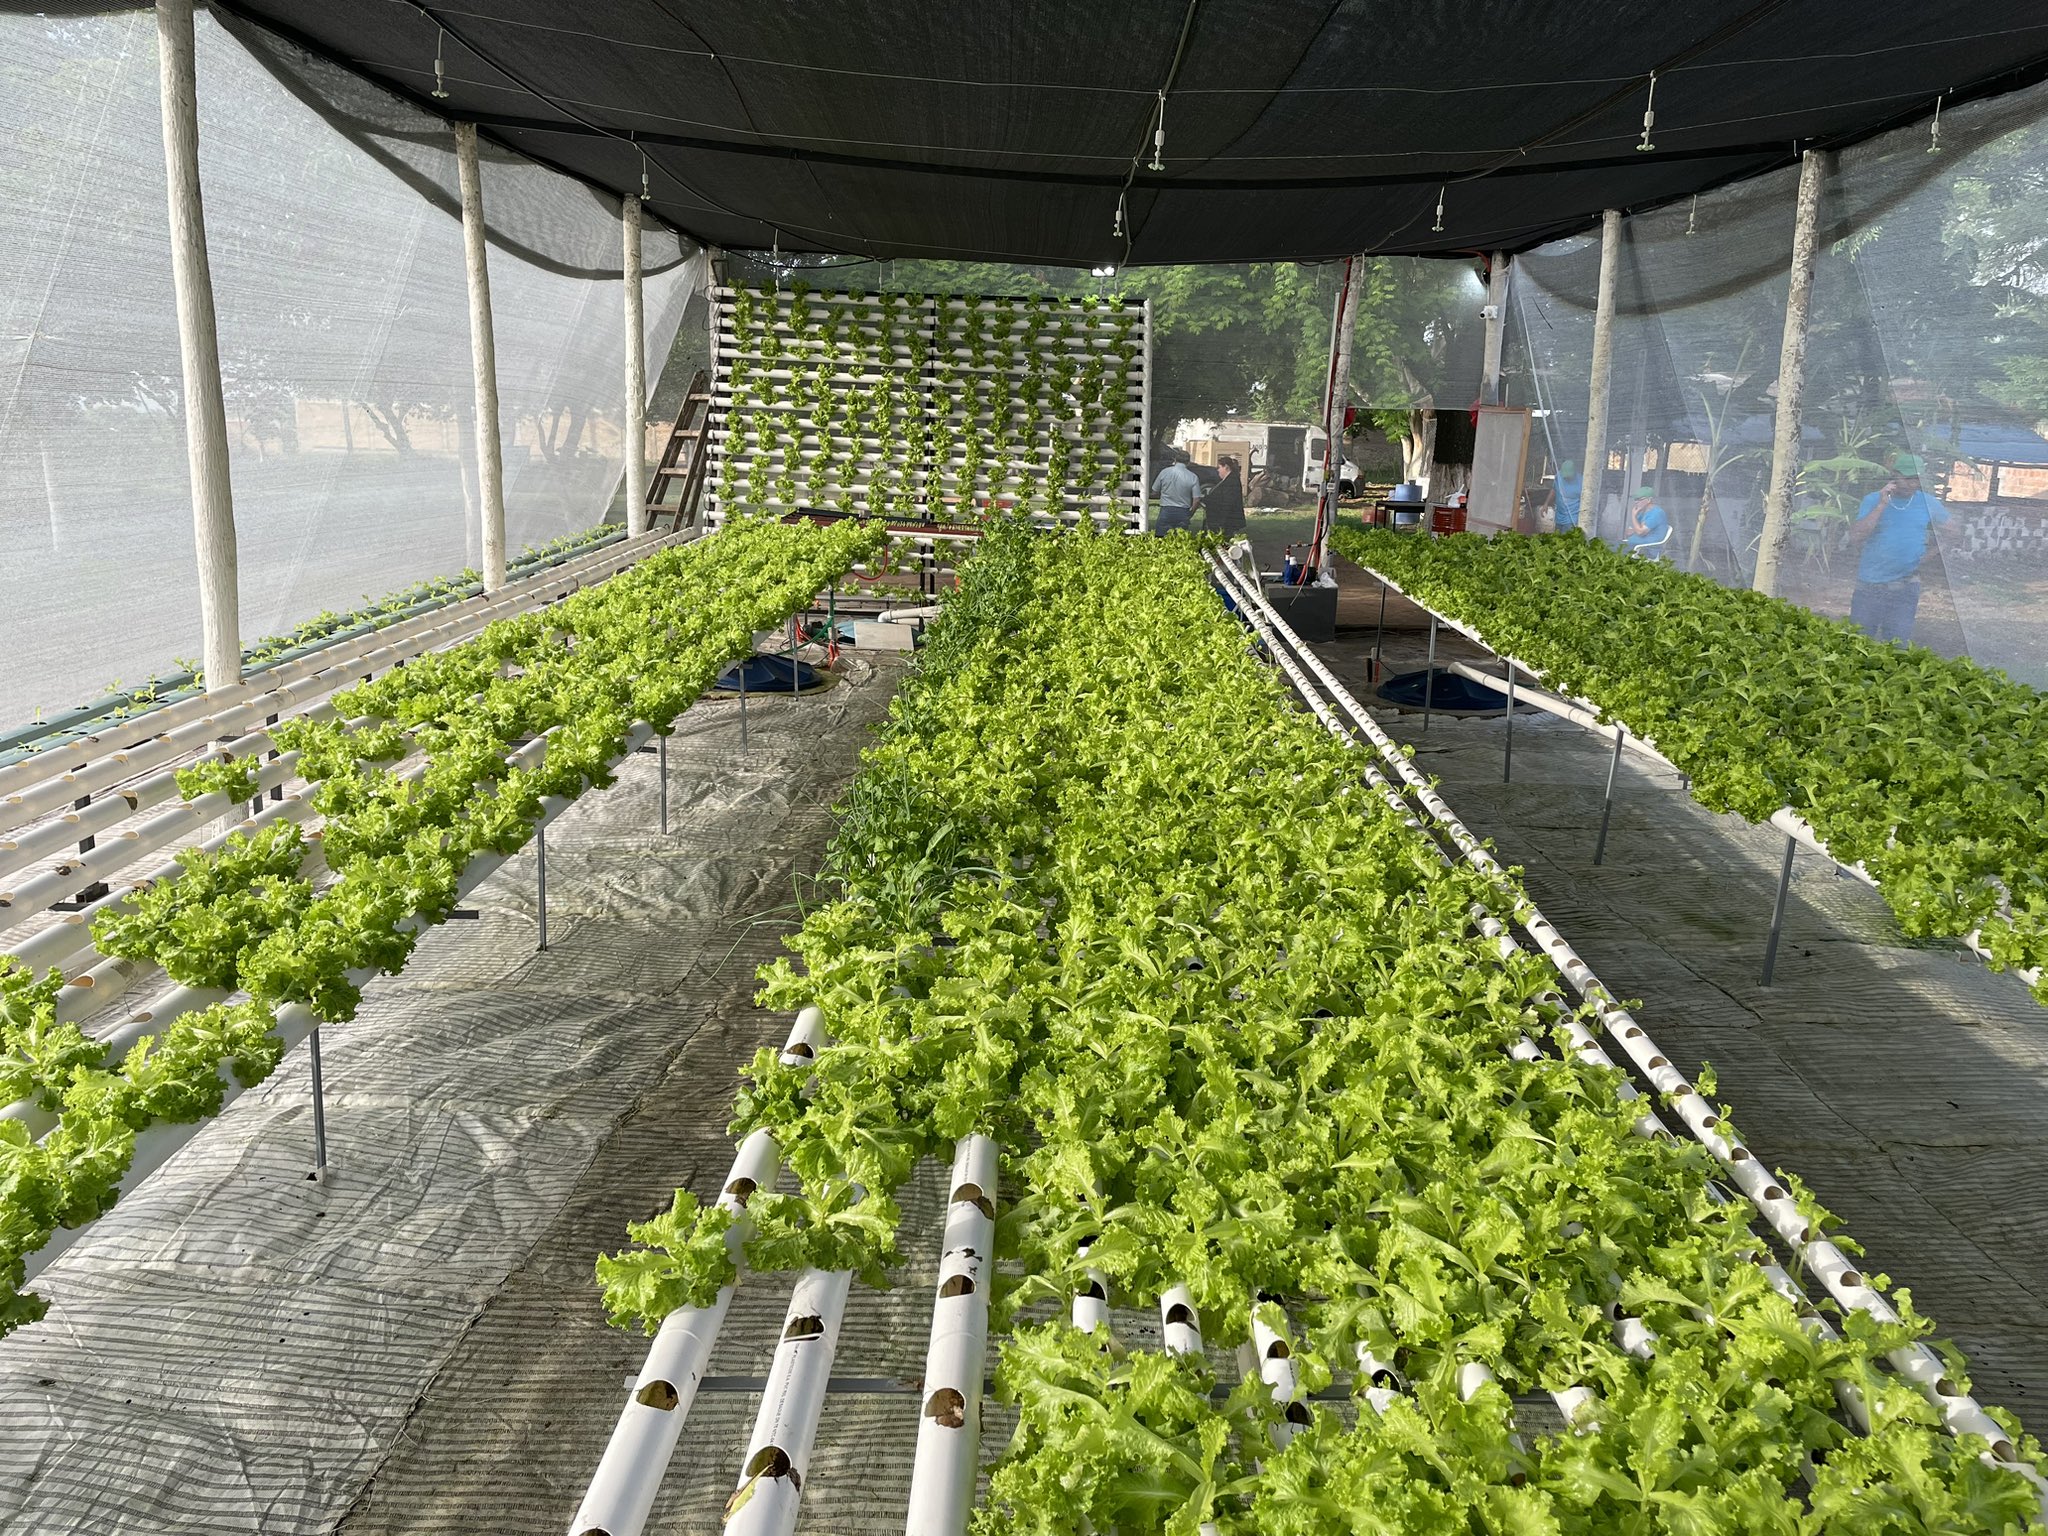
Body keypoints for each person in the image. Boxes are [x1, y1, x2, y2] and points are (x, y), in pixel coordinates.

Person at [1847, 453, 1948, 644]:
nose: (1912, 484)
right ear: (1895, 476)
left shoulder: (1927, 502)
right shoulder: (1873, 500)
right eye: (1907, 478)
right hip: (1869, 586)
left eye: (1916, 479)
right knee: (1858, 643)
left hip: (1906, 587)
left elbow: (1953, 532)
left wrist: (1931, 554)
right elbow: (1856, 536)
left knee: (1897, 646)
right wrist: (1882, 505)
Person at [1151, 457, 1202, 536]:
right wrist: (1191, 513)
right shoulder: (1193, 477)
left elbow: (1155, 490)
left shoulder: (1164, 472)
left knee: (1161, 537)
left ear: (1175, 460)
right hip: (1183, 511)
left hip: (1166, 509)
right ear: (1188, 462)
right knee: (1180, 539)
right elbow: (1197, 499)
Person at [1621, 484, 1672, 558]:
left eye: (1639, 499)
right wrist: (1637, 529)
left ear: (1649, 500)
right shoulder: (1642, 512)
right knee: (1606, 545)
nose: (1636, 502)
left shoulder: (1656, 513)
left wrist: (1633, 515)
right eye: (1635, 499)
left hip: (1645, 550)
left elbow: (1640, 532)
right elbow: (1628, 532)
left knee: (1607, 549)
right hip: (1633, 545)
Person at [1204, 455, 1246, 538]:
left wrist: (1221, 521)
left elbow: (1228, 501)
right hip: (1224, 518)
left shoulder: (1232, 481)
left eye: (1219, 467)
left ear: (1226, 467)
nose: (1218, 470)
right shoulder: (1229, 480)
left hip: (1228, 519)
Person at [1551, 459, 1583, 532]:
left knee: (1567, 538)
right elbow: (1553, 490)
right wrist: (1546, 504)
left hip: (1572, 517)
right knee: (1557, 538)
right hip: (1559, 516)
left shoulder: (1581, 481)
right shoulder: (1558, 477)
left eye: (1568, 476)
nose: (1566, 478)